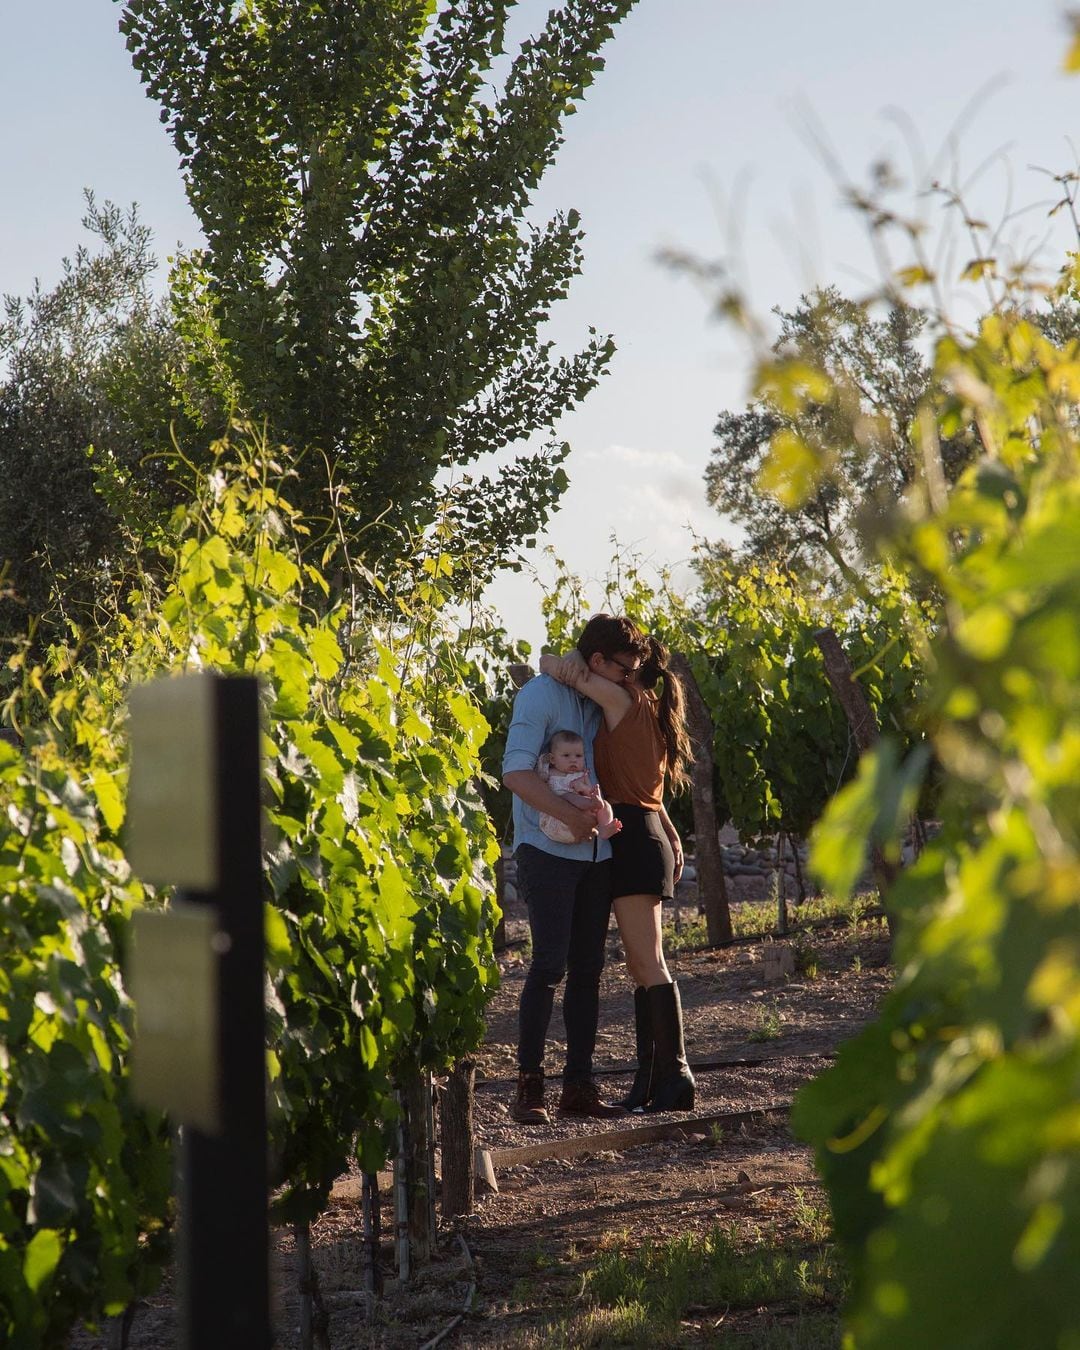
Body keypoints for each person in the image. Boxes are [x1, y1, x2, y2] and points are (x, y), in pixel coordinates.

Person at [502, 614, 648, 1125]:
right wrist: (568, 816)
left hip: (596, 855)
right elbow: (515, 770)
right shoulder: (541, 696)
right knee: (548, 967)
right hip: (547, 850)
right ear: (596, 662)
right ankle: (528, 1088)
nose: (629, 679)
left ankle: (579, 1088)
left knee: (588, 971)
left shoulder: (600, 699)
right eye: (623, 669)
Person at [539, 633, 695, 1113]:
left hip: (631, 838)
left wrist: (583, 661)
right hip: (640, 831)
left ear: (629, 670)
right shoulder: (650, 707)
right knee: (640, 965)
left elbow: (551, 665)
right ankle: (652, 1080)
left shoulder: (624, 698)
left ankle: (676, 1076)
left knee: (648, 963)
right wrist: (667, 828)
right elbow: (648, 788)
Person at [537, 730, 622, 845]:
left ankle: (604, 827)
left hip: (581, 821)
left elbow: (590, 792)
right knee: (567, 796)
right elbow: (539, 785)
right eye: (566, 755)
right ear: (552, 759)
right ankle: (593, 804)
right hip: (558, 820)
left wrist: (583, 788)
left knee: (605, 804)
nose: (573, 760)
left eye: (578, 756)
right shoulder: (550, 772)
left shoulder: (582, 775)